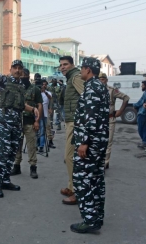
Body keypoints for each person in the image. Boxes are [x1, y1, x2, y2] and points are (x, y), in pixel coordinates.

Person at [0, 58, 39, 198]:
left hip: (17, 123)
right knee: (3, 153)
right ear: (11, 69)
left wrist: (33, 109)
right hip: (5, 122)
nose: (17, 70)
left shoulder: (21, 86)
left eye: (19, 68)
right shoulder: (4, 81)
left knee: (12, 154)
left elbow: (22, 105)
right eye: (15, 68)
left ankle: (5, 180)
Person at [71, 57, 109, 233]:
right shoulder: (100, 86)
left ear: (88, 70)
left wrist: (83, 142)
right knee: (96, 179)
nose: (80, 72)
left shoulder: (92, 88)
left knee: (82, 180)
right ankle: (97, 216)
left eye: (82, 69)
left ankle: (89, 219)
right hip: (99, 141)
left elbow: (90, 117)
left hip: (90, 142)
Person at [59, 56, 84, 206]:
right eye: (61, 65)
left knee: (69, 157)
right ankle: (71, 186)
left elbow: (87, 97)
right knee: (71, 156)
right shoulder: (71, 78)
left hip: (75, 122)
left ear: (72, 65)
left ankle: (76, 191)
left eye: (65, 64)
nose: (62, 67)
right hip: (71, 121)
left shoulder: (75, 77)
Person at [11, 69, 43, 178]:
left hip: (30, 122)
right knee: (17, 146)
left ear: (28, 76)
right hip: (17, 122)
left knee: (31, 146)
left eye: (24, 75)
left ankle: (33, 167)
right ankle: (17, 166)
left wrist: (37, 121)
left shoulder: (35, 89)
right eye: (21, 75)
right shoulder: (17, 89)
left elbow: (40, 105)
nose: (22, 77)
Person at [98, 72, 129, 169]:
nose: (101, 81)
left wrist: (120, 111)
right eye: (99, 79)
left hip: (110, 119)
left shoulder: (112, 90)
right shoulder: (94, 91)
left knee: (108, 142)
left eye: (102, 79)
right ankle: (99, 161)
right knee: (98, 142)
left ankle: (105, 162)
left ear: (106, 80)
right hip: (98, 120)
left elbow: (126, 98)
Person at [134, 81, 146, 148]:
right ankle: (145, 141)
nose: (141, 86)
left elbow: (141, 101)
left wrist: (135, 105)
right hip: (143, 112)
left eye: (143, 85)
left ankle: (144, 141)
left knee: (140, 128)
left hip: (142, 112)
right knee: (143, 128)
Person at [39, 80, 52, 152]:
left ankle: (41, 146)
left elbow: (50, 98)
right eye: (43, 84)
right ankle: (37, 144)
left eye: (45, 85)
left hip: (45, 114)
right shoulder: (38, 93)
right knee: (38, 131)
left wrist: (45, 92)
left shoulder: (48, 93)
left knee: (43, 130)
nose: (44, 86)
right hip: (38, 114)